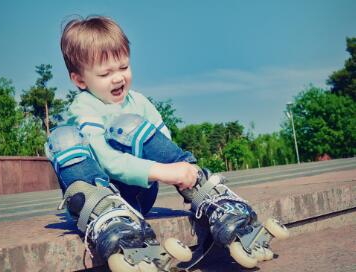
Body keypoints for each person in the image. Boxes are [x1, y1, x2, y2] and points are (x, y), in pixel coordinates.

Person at [46, 15, 259, 270]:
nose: (118, 78)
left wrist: (181, 170)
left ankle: (209, 198)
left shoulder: (139, 102)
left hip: (139, 194)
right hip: (99, 195)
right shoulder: (83, 107)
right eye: (105, 73)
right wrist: (163, 172)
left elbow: (163, 145)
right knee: (63, 138)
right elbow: (106, 160)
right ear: (80, 80)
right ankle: (104, 216)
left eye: (123, 67)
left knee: (128, 125)